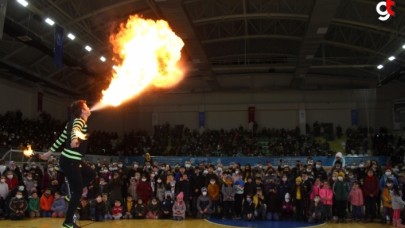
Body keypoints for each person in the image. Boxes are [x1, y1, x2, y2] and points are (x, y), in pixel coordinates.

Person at [40, 100, 95, 228]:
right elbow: (76, 129)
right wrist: (75, 139)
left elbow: (61, 139)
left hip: (72, 160)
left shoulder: (70, 122)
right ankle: (68, 222)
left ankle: (71, 196)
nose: (89, 107)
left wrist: (48, 153)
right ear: (82, 111)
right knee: (78, 192)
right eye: (86, 106)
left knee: (91, 173)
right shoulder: (79, 120)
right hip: (70, 160)